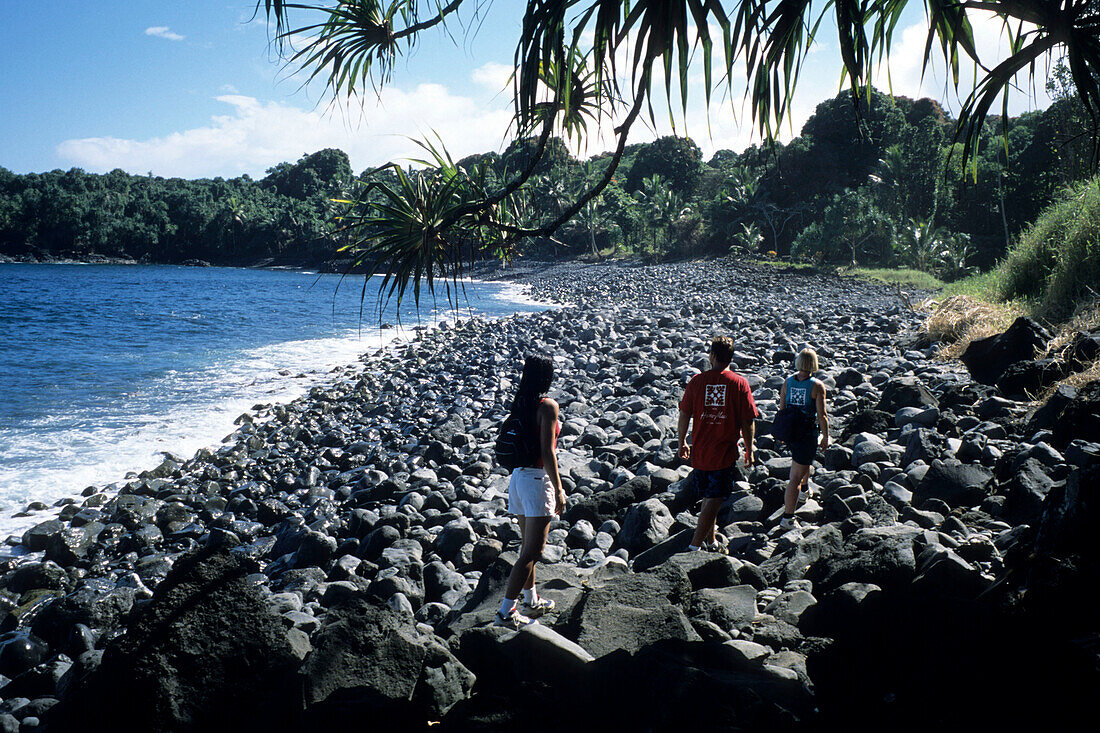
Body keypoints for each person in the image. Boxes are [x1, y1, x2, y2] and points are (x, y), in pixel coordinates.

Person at [495, 355, 566, 629]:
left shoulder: (520, 404)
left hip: (518, 479)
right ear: (547, 378)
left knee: (527, 547)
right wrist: (559, 488)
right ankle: (505, 612)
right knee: (532, 552)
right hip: (537, 480)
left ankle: (531, 599)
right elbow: (548, 451)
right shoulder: (547, 406)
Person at [677, 336, 759, 553]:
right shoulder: (739, 383)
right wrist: (750, 448)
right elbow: (748, 420)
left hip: (701, 451)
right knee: (714, 499)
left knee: (708, 497)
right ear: (731, 357)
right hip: (723, 452)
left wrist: (682, 441)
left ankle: (711, 542)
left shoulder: (697, 381)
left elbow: (684, 413)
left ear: (712, 356)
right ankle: (694, 546)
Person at [777, 348, 830, 530]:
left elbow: (782, 409)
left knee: (803, 462)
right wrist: (826, 437)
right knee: (795, 477)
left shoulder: (788, 382)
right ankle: (788, 518)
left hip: (791, 431)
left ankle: (805, 490)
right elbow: (822, 415)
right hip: (806, 434)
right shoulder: (817, 385)